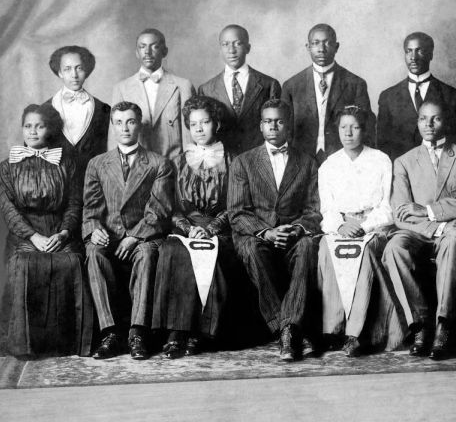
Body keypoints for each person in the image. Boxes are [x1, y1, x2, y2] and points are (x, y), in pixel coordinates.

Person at [381, 99, 456, 360]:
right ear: (417, 123)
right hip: (418, 231)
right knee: (394, 248)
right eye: (423, 119)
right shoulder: (404, 162)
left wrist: (427, 210)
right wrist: (435, 226)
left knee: (452, 242)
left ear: (446, 121)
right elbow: (402, 212)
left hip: (455, 230)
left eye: (436, 118)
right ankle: (420, 324)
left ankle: (444, 325)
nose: (429, 124)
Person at [0, 104, 93, 357]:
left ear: (49, 129)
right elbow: (9, 210)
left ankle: (68, 343)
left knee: (72, 261)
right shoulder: (7, 167)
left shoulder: (67, 163)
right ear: (22, 129)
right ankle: (28, 345)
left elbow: (74, 203)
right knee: (24, 264)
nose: (33, 131)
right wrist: (34, 236)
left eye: (39, 126)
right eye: (28, 126)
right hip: (24, 233)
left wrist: (63, 233)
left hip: (59, 229)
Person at [228, 99, 322, 361]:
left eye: (279, 121)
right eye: (268, 121)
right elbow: (237, 212)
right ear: (260, 125)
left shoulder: (306, 161)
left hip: (292, 234)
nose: (273, 126)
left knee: (307, 246)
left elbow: (314, 210)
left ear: (288, 125)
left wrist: (295, 229)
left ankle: (288, 329)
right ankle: (289, 328)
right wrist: (267, 232)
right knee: (254, 250)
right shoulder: (243, 162)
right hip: (255, 234)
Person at [83, 101, 174, 360]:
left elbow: (159, 211)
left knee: (146, 254)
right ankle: (110, 333)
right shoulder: (97, 164)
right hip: (109, 234)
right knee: (93, 251)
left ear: (139, 124)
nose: (125, 128)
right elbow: (91, 209)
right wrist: (94, 229)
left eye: (131, 122)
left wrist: (135, 236)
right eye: (120, 122)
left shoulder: (159, 164)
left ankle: (138, 333)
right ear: (113, 125)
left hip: (143, 234)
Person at [152, 96, 238, 358]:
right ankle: (177, 332)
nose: (199, 129)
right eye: (193, 124)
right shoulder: (177, 162)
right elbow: (171, 208)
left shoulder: (233, 160)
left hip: (222, 228)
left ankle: (202, 333)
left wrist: (211, 228)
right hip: (185, 227)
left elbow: (235, 205)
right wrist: (189, 229)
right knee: (174, 252)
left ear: (217, 124)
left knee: (213, 255)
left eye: (206, 122)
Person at [317, 105, 406, 357]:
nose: (349, 133)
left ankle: (356, 332)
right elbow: (328, 209)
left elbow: (387, 207)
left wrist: (364, 226)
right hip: (342, 226)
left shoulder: (380, 160)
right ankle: (332, 329)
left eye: (355, 127)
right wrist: (341, 226)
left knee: (365, 252)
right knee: (327, 248)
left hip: (373, 226)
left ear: (364, 130)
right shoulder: (329, 165)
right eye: (343, 127)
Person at [281, 23, 374, 164]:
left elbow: (366, 128)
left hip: (343, 161)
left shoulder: (355, 84)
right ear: (308, 47)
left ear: (336, 47)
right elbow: (285, 130)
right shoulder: (292, 86)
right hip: (301, 161)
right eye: (315, 43)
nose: (321, 49)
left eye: (327, 43)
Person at [109, 28, 195, 159]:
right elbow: (114, 136)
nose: (147, 52)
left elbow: (189, 135)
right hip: (135, 168)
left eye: (154, 47)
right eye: (142, 47)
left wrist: (187, 170)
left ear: (164, 51)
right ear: (137, 53)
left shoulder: (182, 86)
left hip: (173, 166)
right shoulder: (121, 88)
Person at [377, 31, 456, 161]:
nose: (413, 57)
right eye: (408, 51)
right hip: (401, 171)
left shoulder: (451, 95)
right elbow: (382, 143)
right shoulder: (388, 96)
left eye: (419, 51)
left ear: (431, 55)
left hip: (439, 168)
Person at [198, 25, 281, 154]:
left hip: (259, 157)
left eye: (238, 44)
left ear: (248, 48)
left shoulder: (268, 84)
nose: (231, 50)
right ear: (220, 49)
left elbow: (276, 127)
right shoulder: (206, 89)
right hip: (221, 160)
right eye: (225, 44)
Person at [45, 45, 110, 178]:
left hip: (93, 184)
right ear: (59, 73)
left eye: (79, 68)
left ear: (86, 71)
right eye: (67, 69)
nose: (74, 75)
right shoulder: (43, 110)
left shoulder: (104, 110)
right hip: (55, 184)